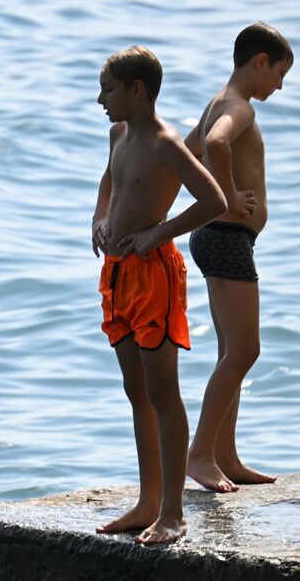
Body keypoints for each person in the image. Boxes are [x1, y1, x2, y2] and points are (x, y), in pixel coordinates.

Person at [92, 46, 228, 545]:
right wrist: (99, 217)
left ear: (137, 90)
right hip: (117, 272)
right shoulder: (118, 134)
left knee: (163, 393)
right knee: (136, 391)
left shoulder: (168, 143)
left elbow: (215, 200)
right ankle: (147, 502)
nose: (100, 99)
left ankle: (173, 512)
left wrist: (158, 233)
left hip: (155, 275)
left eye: (107, 89)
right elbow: (110, 179)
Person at [183, 22, 293, 492]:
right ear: (260, 61)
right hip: (225, 237)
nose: (280, 86)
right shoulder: (239, 108)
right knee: (245, 350)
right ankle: (200, 455)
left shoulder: (216, 101)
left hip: (220, 235)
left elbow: (186, 153)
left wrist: (206, 201)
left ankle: (224, 455)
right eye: (279, 75)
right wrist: (225, 197)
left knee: (232, 352)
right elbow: (213, 145)